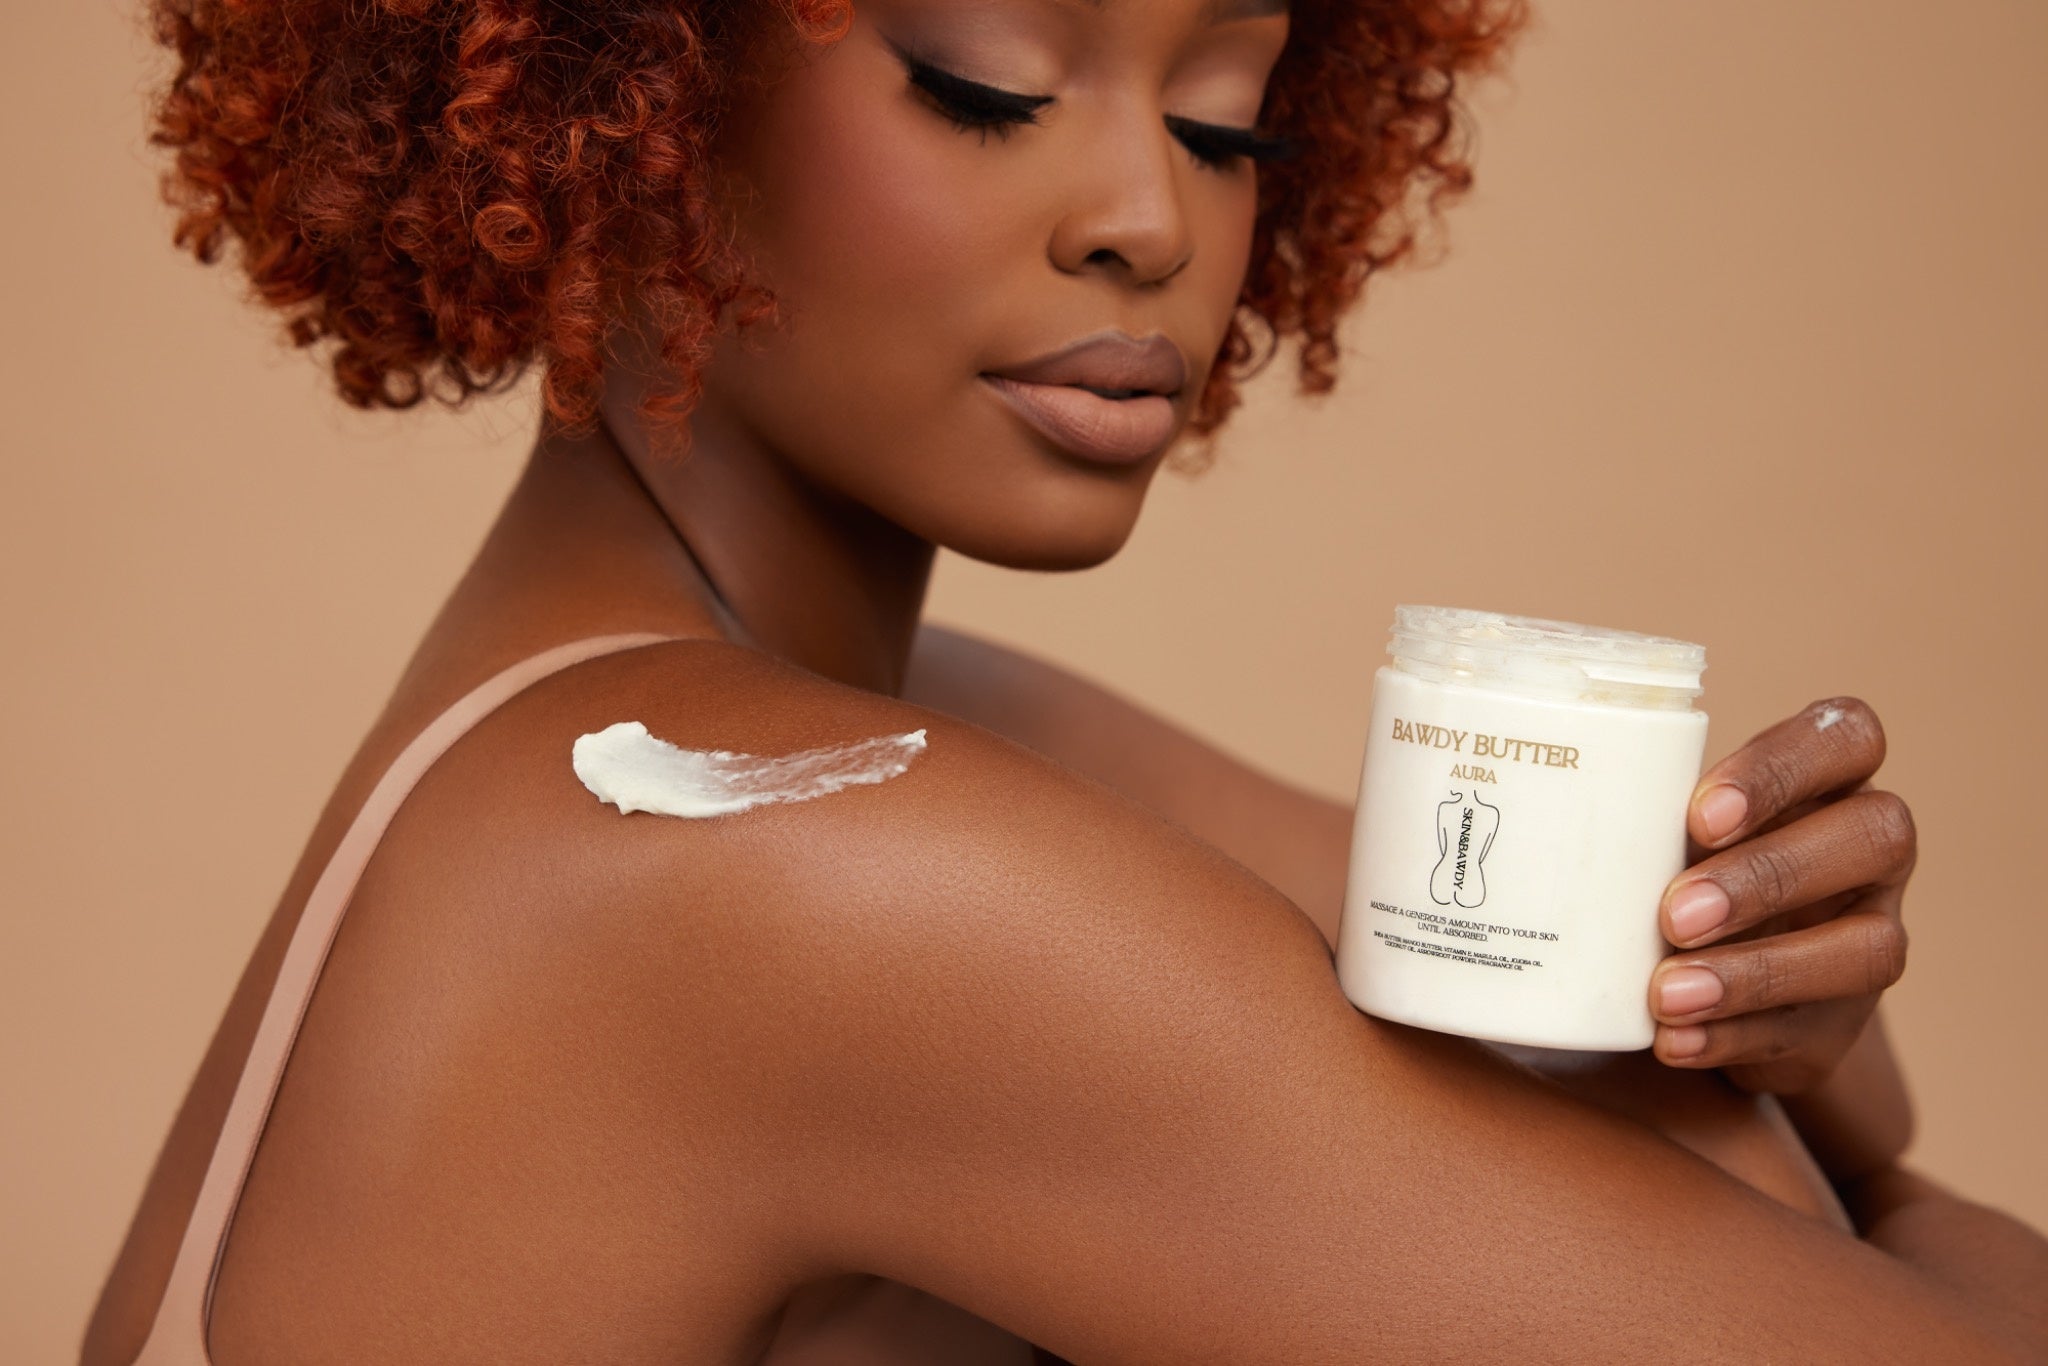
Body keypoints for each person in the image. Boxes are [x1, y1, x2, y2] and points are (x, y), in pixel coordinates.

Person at [84, 0, 2048, 1361]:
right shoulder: (766, 868)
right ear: (623, 104)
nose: (1150, 217)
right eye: (986, 85)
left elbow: (1695, 1063)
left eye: (1225, 119)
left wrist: (1764, 1001)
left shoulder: (742, 735)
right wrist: (1865, 1191)